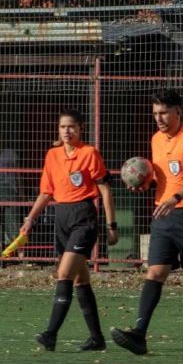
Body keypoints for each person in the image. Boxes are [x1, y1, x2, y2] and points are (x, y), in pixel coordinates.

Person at [112, 90, 183, 356]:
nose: (159, 118)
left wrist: (177, 197)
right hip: (163, 215)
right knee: (155, 272)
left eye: (164, 113)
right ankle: (139, 334)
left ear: (178, 112)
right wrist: (146, 185)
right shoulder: (156, 139)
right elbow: (161, 177)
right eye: (155, 113)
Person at [22, 110, 117, 351]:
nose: (66, 131)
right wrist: (30, 219)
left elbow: (104, 189)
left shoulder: (89, 153)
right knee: (79, 280)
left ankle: (51, 333)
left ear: (80, 128)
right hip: (61, 218)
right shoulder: (52, 155)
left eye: (71, 127)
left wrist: (111, 225)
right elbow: (46, 192)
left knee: (64, 274)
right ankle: (97, 338)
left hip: (83, 218)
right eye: (63, 126)